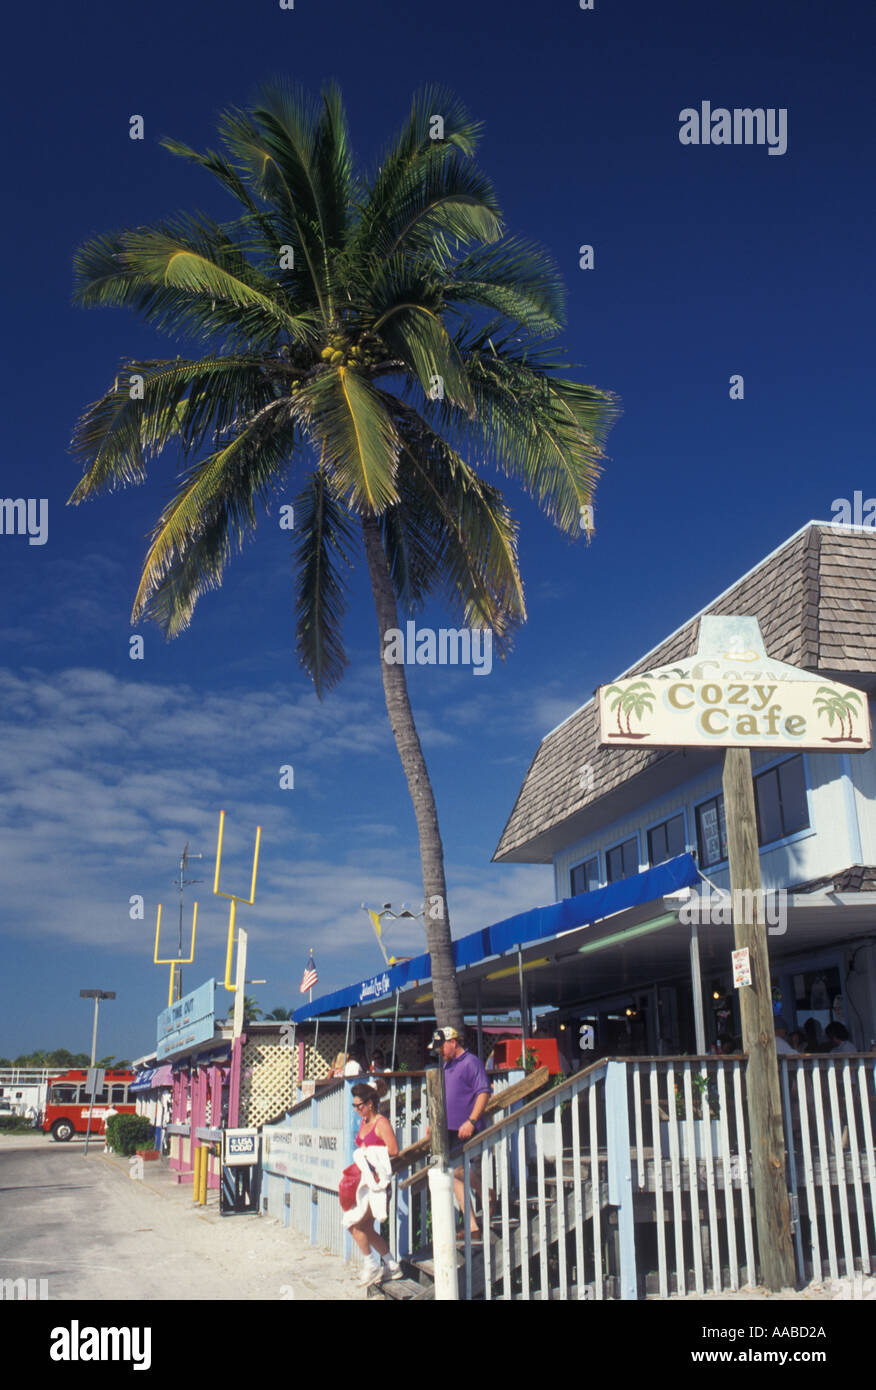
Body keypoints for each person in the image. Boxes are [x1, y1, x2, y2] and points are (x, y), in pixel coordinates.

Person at [430, 1025, 491, 1239]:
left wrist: (472, 1120)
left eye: (441, 1047)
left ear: (453, 1042)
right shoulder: (447, 1066)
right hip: (448, 1128)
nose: (439, 1052)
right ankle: (472, 1225)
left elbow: (483, 1092)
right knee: (452, 1173)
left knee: (457, 1170)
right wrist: (434, 1122)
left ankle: (485, 1192)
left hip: (466, 1127)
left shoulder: (471, 1062)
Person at [345, 1079, 403, 1286]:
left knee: (356, 1225)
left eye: (359, 1105)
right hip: (365, 1183)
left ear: (370, 1103)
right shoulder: (364, 1122)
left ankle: (371, 1264)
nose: (357, 1110)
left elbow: (394, 1150)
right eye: (354, 1106)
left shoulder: (381, 1122)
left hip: (378, 1184)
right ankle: (391, 1264)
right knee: (366, 1228)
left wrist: (370, 1153)